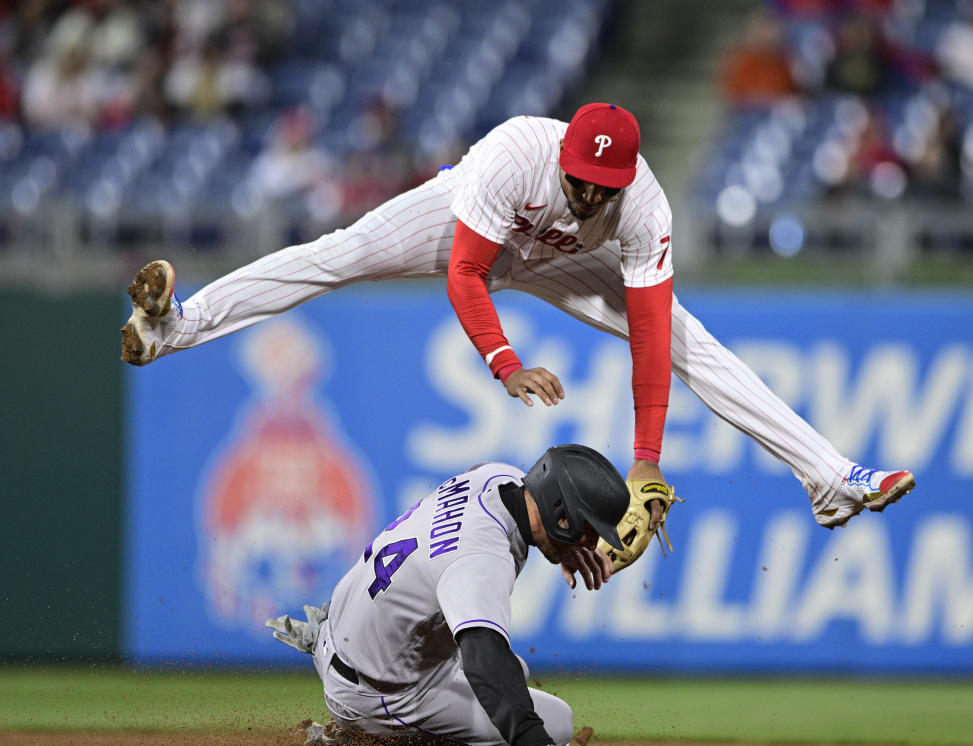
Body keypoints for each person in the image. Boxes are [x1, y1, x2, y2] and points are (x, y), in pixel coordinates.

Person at [120, 102, 914, 530]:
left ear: (629, 175)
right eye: (584, 177)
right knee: (341, 252)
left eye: (608, 183)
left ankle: (829, 477)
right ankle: (177, 325)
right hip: (473, 223)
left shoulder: (642, 209)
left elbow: (646, 335)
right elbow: (466, 275)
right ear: (567, 151)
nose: (593, 193)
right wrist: (505, 363)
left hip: (564, 260)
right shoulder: (516, 154)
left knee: (686, 339)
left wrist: (645, 455)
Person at [264, 444, 629, 746]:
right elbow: (483, 658)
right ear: (559, 514)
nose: (592, 541)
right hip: (380, 693)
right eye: (588, 528)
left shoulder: (498, 477)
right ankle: (366, 740)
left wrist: (563, 548)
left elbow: (477, 471)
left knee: (512, 673)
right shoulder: (480, 557)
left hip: (344, 631)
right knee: (554, 721)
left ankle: (368, 720)